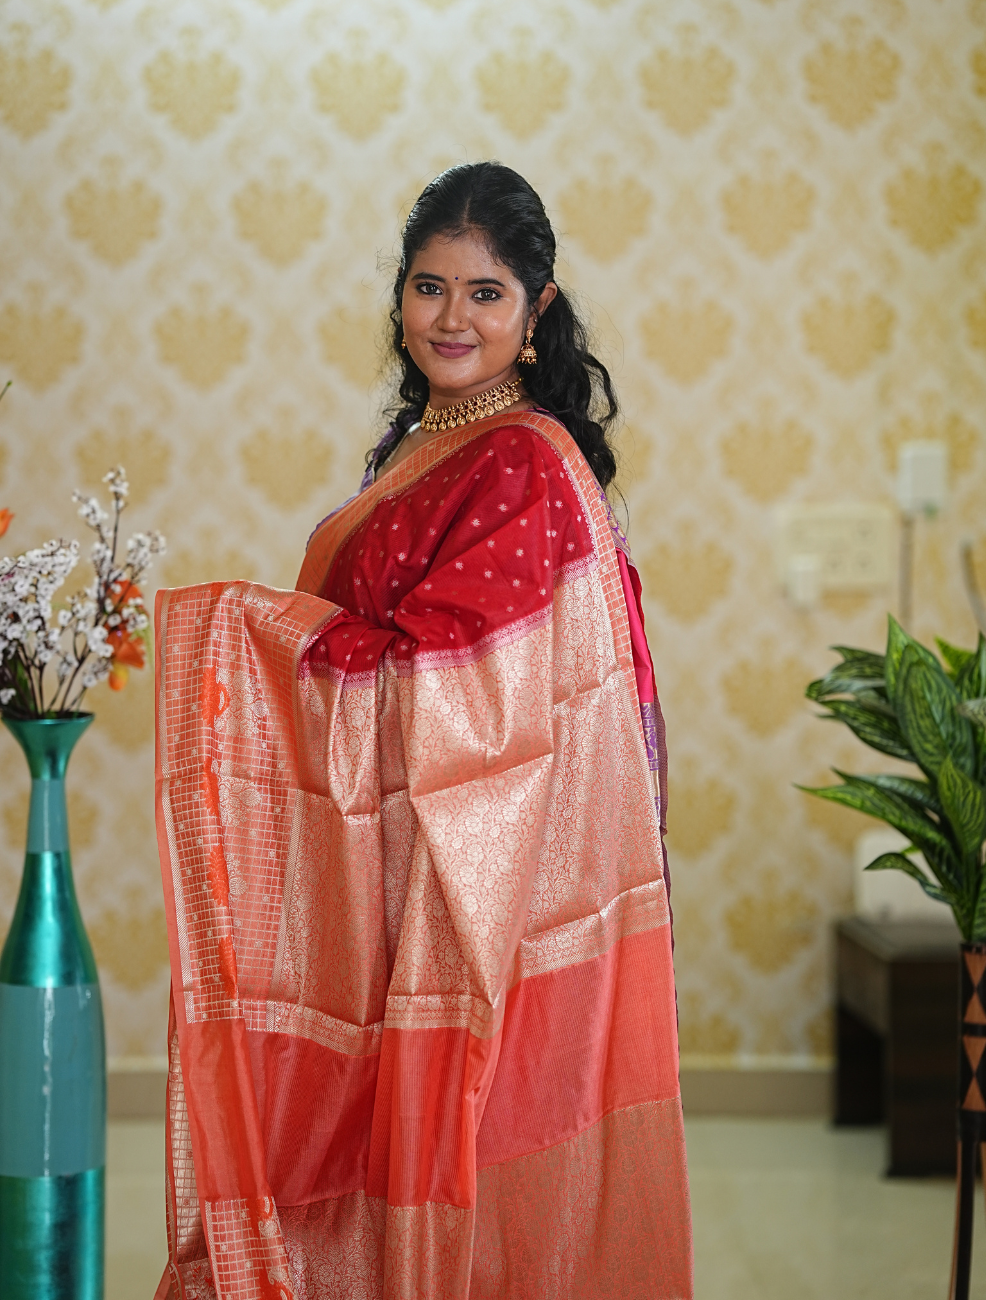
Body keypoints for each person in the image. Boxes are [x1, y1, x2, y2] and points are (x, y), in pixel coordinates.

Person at [154, 162, 692, 1300]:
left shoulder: (523, 462)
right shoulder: (418, 441)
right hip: (392, 858)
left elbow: (468, 693)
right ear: (399, 294)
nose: (452, 318)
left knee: (467, 1144)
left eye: (486, 293)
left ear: (537, 309)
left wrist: (257, 636)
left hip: (475, 874)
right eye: (428, 286)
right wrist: (304, 646)